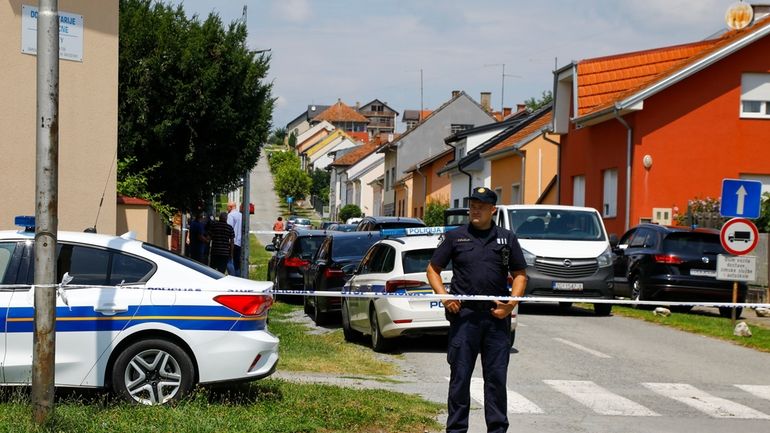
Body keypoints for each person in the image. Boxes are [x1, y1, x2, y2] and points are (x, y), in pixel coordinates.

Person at [427, 187, 527, 433]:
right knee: (460, 379)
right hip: (465, 318)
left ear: (493, 210)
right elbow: (433, 269)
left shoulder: (507, 238)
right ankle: (456, 430)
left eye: (481, 206)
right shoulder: (455, 237)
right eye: (472, 204)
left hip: (496, 319)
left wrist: (510, 305)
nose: (475, 209)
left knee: (495, 381)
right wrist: (445, 298)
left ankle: (497, 430)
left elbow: (520, 275)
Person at [227, 201, 243, 276]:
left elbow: (229, 228)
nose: (227, 208)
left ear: (230, 207)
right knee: (237, 262)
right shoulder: (241, 215)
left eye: (227, 207)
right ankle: (238, 276)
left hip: (233, 242)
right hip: (240, 242)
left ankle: (233, 277)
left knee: (230, 260)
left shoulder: (230, 215)